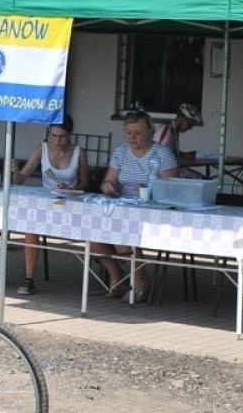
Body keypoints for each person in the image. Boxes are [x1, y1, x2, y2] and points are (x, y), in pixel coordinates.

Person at [94, 111, 179, 302]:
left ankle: (140, 282)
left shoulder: (163, 154)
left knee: (122, 234)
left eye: (138, 133)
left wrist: (151, 189)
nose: (132, 137)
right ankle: (117, 276)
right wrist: (108, 187)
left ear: (150, 132)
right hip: (123, 205)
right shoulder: (121, 152)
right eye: (129, 133)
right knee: (92, 234)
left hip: (152, 210)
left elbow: (173, 189)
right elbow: (107, 181)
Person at [11, 117, 87, 294]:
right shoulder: (42, 149)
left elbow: (85, 182)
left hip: (69, 201)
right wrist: (15, 169)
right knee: (31, 225)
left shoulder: (78, 152)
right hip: (47, 201)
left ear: (69, 135)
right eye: (53, 136)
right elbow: (20, 179)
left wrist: (72, 188)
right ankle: (29, 279)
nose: (57, 141)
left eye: (61, 137)